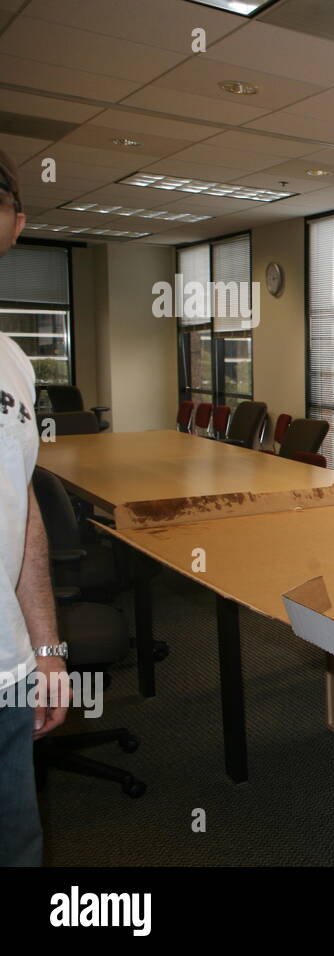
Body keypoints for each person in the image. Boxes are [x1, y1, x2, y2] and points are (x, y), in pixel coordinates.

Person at [0, 149, 67, 866]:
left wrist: (47, 651)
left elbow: (22, 512)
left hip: (10, 675)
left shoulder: (13, 360)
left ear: (17, 224)